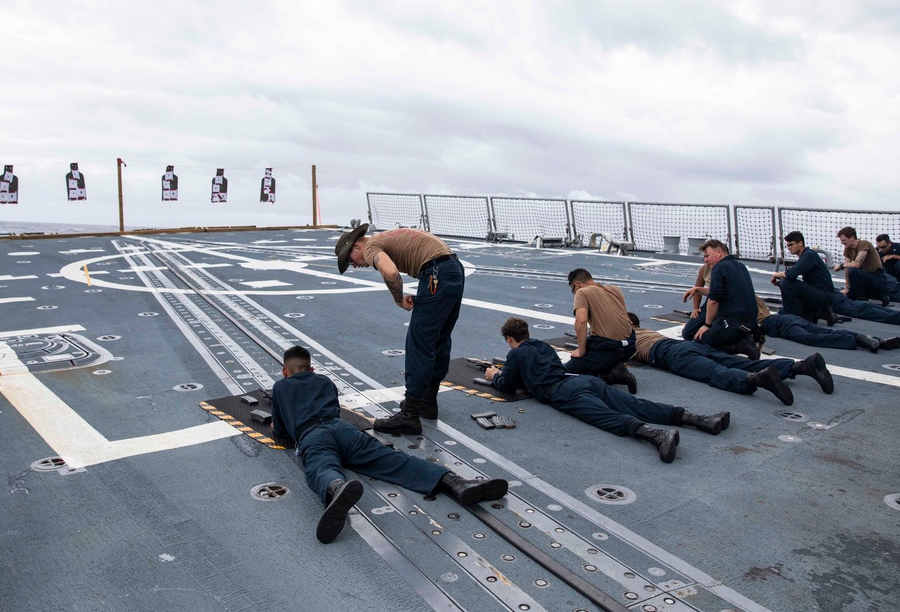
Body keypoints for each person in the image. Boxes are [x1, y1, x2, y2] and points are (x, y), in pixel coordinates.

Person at [271, 345, 509, 544]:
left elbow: (281, 431)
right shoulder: (324, 382)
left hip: (312, 435)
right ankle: (455, 482)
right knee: (395, 460)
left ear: (284, 370)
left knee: (321, 467)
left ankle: (336, 488)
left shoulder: (280, 387)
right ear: (312, 368)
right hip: (344, 430)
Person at [485, 318, 731, 464]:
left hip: (563, 392)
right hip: (583, 380)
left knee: (606, 417)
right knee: (635, 404)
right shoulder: (542, 345)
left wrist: (495, 375)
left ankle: (656, 436)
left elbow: (508, 385)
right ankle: (700, 419)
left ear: (509, 338)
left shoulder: (515, 353)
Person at [336, 224, 463, 434]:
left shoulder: (371, 246)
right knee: (439, 339)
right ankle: (428, 402)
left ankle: (410, 415)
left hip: (435, 273)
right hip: (453, 268)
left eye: (350, 260)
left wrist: (398, 299)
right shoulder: (385, 238)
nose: (354, 266)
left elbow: (391, 272)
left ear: (356, 246)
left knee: (419, 344)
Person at [629, 314, 834, 403]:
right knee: (743, 363)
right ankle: (802, 366)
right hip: (688, 345)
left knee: (714, 373)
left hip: (670, 354)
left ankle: (756, 379)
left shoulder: (626, 335)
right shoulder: (646, 330)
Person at [564, 268, 638, 394]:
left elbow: (580, 322)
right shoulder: (615, 289)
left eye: (573, 290)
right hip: (629, 348)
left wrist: (581, 351)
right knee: (595, 360)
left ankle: (614, 375)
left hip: (607, 350)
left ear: (577, 284)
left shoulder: (582, 292)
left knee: (564, 373)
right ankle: (614, 367)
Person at [682, 241, 760, 355]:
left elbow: (714, 300)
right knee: (690, 333)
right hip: (750, 321)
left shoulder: (719, 268)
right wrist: (697, 289)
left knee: (700, 341)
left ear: (718, 253)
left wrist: (707, 325)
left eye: (707, 256)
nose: (705, 260)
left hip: (733, 322)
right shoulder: (740, 266)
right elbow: (725, 290)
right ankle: (745, 336)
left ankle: (740, 346)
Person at [756, 298, 899, 354]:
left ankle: (857, 340)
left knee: (809, 338)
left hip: (776, 323)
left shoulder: (740, 302)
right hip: (786, 318)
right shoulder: (749, 295)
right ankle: (876, 340)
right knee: (825, 331)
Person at [770, 231, 836, 324]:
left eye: (791, 245)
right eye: (787, 246)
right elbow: (793, 275)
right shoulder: (806, 256)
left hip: (823, 295)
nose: (789, 248)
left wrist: (775, 274)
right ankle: (817, 312)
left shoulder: (809, 255)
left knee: (786, 282)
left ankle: (794, 320)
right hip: (816, 295)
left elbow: (791, 274)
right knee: (781, 313)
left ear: (800, 243)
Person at [835, 226, 890, 306]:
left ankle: (870, 297)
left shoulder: (864, 244)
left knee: (854, 271)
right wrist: (847, 288)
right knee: (851, 289)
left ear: (852, 237)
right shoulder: (848, 248)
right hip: (865, 279)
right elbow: (847, 269)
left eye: (844, 240)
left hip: (877, 278)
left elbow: (856, 264)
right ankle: (864, 297)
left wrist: (841, 266)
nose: (842, 243)